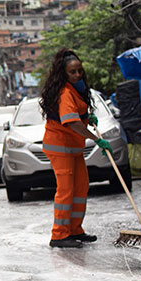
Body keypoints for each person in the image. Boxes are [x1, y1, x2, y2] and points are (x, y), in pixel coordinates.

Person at [40, 49, 111, 248]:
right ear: (64, 74)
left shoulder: (75, 91)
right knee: (66, 190)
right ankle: (59, 235)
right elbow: (72, 123)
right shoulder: (65, 93)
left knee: (80, 187)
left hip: (72, 147)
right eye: (73, 72)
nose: (78, 75)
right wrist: (96, 139)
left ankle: (74, 229)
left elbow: (78, 118)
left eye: (80, 71)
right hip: (60, 146)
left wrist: (88, 119)